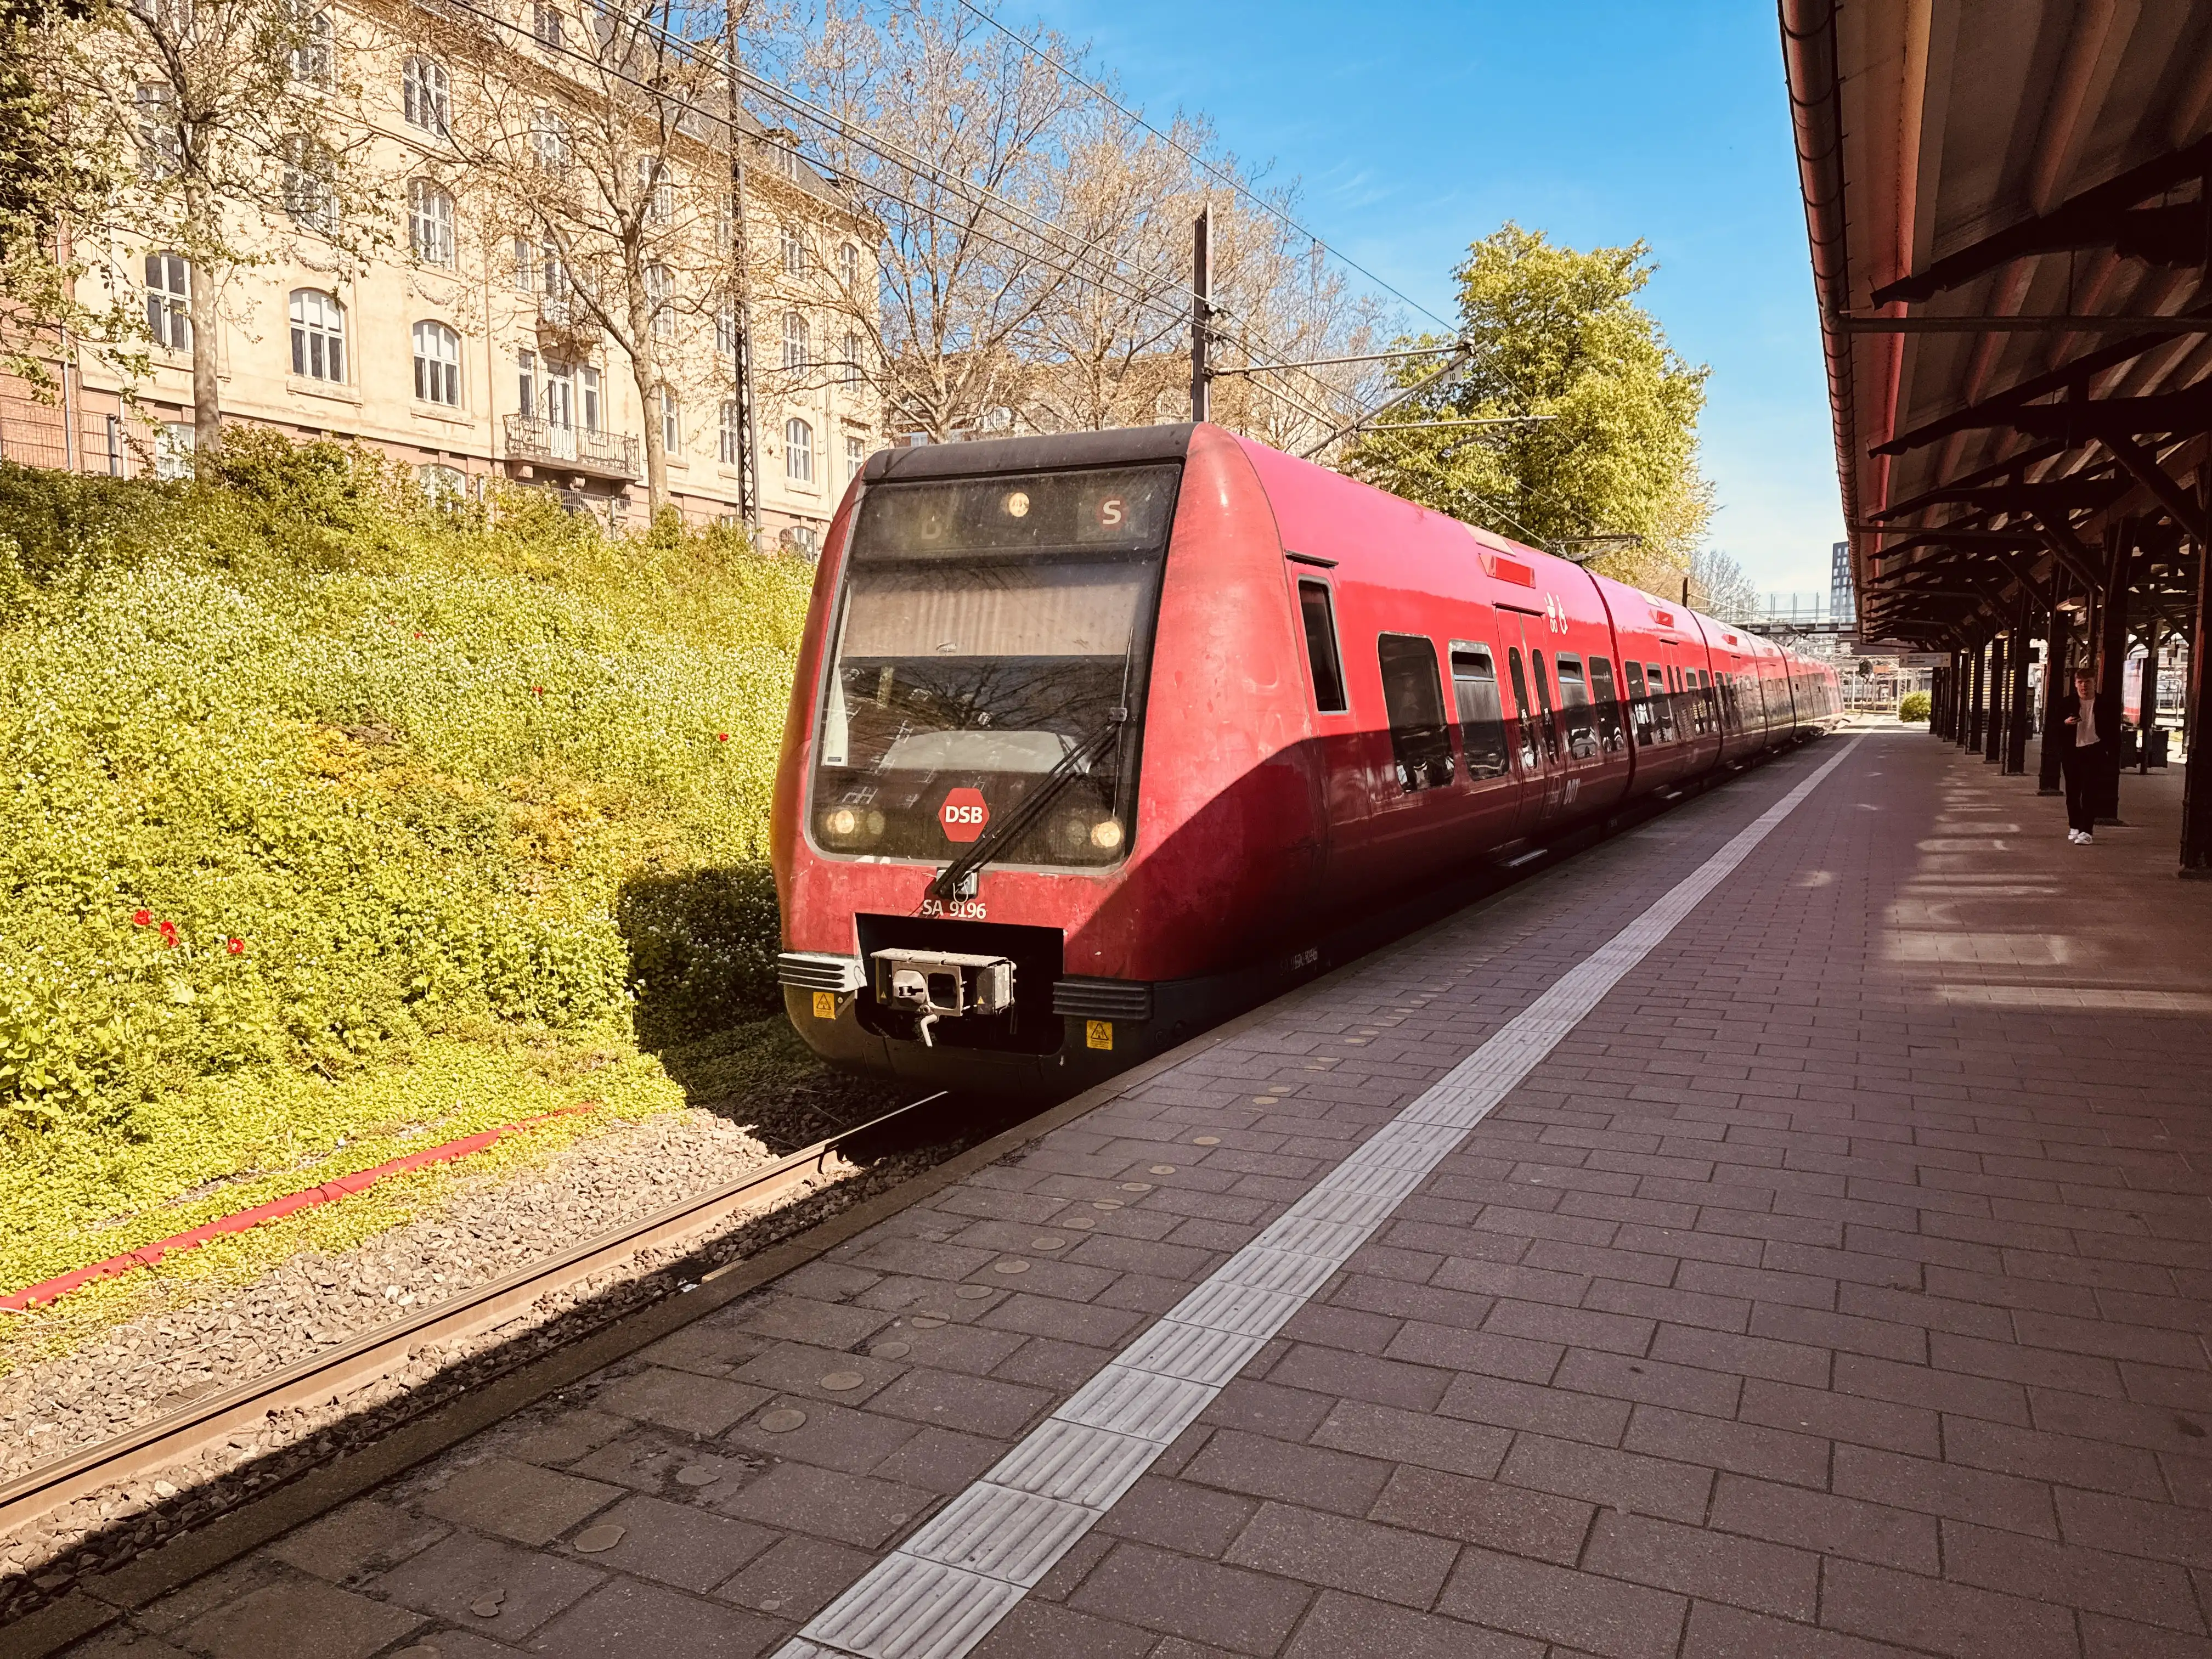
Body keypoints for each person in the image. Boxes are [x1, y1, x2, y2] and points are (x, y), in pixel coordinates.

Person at [2053, 666, 2119, 844]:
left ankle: (2086, 831)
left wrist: (2111, 754)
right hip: (2072, 752)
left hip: (2094, 751)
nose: (2084, 686)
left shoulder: (2105, 704)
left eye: (2088, 682)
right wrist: (2065, 724)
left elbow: (2114, 731)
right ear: (2075, 684)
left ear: (2094, 683)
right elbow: (2053, 728)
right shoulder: (2067, 704)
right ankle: (2074, 826)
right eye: (2080, 682)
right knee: (2073, 792)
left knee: (2090, 792)